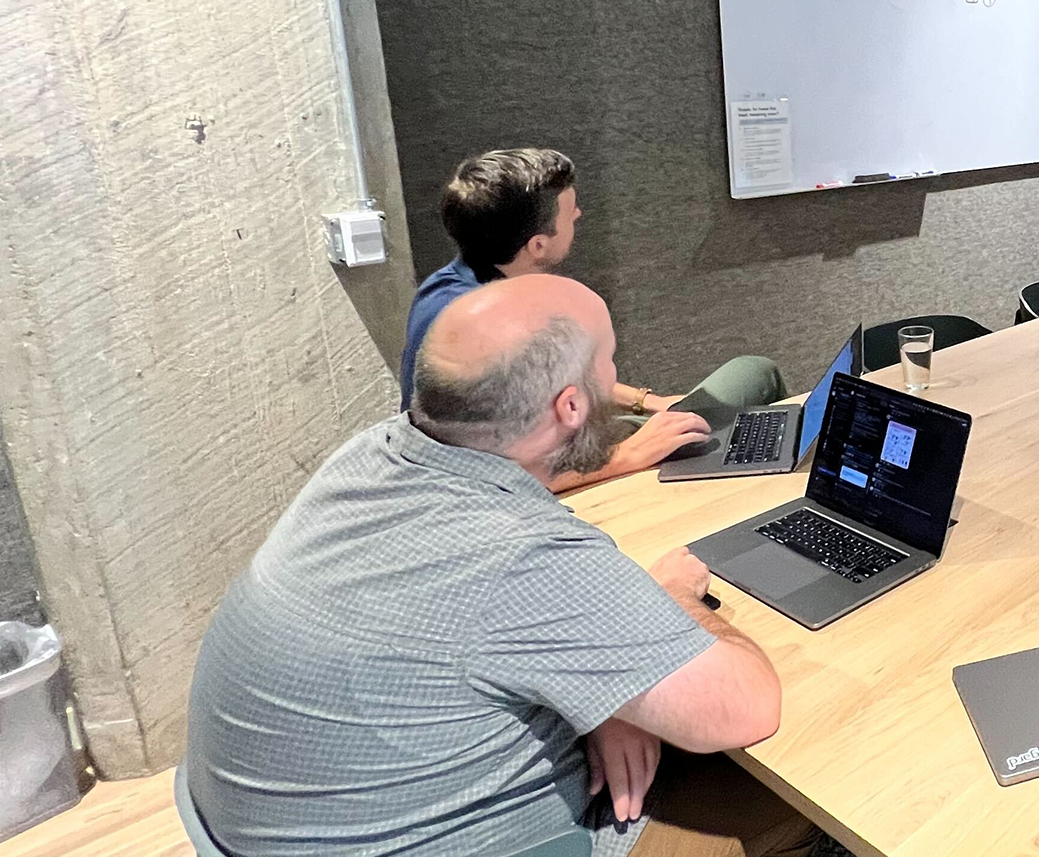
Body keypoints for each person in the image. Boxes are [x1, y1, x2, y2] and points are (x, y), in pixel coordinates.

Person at [186, 275, 813, 857]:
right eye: (610, 365)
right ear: (571, 407)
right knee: (796, 797)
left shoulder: (368, 458)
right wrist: (671, 596)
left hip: (267, 830)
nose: (617, 382)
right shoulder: (522, 556)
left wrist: (606, 701)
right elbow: (746, 707)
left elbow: (490, 623)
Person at [400, 148, 783, 491]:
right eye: (570, 212)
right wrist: (629, 456)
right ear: (538, 244)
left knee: (752, 371)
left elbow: (554, 373)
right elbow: (488, 475)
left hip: (574, 442)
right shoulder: (479, 332)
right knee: (729, 408)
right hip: (552, 475)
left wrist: (646, 403)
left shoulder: (471, 284)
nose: (579, 214)